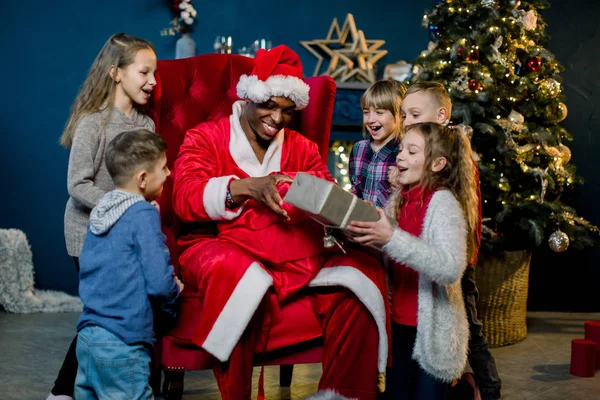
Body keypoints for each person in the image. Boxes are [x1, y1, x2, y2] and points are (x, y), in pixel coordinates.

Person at [172, 45, 389, 400]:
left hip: (293, 246)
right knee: (234, 274)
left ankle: (344, 393)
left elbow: (325, 193)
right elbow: (185, 196)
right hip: (219, 243)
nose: (277, 118)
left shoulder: (302, 147)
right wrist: (245, 188)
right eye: (268, 106)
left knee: (361, 271)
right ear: (248, 97)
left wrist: (343, 209)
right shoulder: (205, 137)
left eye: (287, 111)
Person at [48, 33, 157, 400]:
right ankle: (65, 391)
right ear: (116, 73)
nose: (152, 82)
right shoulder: (93, 124)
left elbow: (145, 184)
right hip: (88, 235)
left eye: (154, 73)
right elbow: (77, 185)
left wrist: (148, 207)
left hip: (128, 237)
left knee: (120, 312)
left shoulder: (146, 126)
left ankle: (128, 382)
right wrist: (125, 206)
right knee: (105, 314)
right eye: (144, 72)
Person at [347, 122, 479, 399]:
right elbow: (392, 253)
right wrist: (362, 231)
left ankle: (465, 390)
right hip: (398, 327)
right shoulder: (399, 199)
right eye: (402, 149)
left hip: (432, 334)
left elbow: (451, 268)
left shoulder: (443, 204)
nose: (400, 156)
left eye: (412, 151)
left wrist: (390, 236)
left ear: (437, 163)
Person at [393, 81, 502, 400]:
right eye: (404, 115)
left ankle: (487, 388)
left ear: (440, 115)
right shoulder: (417, 169)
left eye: (415, 113)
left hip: (456, 261)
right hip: (421, 275)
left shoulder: (453, 169)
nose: (407, 120)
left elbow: (465, 217)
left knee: (472, 331)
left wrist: (466, 258)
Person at [74, 129, 182, 399]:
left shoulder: (103, 208)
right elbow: (158, 283)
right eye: (164, 167)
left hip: (88, 338)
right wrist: (175, 294)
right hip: (124, 341)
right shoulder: (142, 213)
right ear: (143, 178)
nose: (169, 173)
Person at [349, 79, 406, 208]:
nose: (370, 120)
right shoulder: (358, 149)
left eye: (379, 112)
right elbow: (355, 191)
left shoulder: (404, 153)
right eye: (366, 112)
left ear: (399, 115)